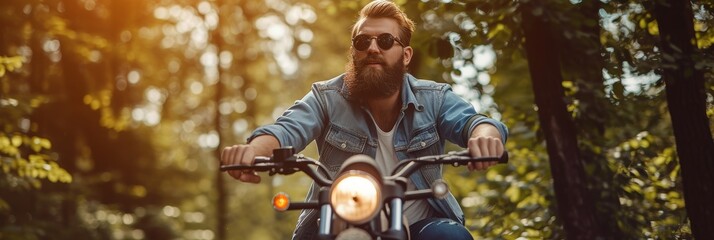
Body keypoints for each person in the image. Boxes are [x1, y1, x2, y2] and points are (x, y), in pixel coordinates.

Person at [220, 0, 508, 239]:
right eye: (362, 41)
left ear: (406, 55)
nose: (373, 48)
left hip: (418, 226)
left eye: (385, 41)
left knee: (451, 237)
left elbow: (473, 122)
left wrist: (485, 138)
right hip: (336, 219)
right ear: (354, 51)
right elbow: (286, 129)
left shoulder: (434, 98)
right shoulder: (326, 98)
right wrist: (253, 151)